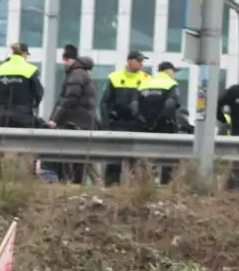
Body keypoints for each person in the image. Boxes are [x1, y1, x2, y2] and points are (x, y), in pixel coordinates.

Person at [100, 51, 151, 185]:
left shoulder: (146, 78)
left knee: (137, 161)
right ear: (129, 61)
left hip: (137, 125)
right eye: (139, 60)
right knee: (114, 159)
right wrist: (106, 124)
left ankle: (136, 189)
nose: (141, 64)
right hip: (118, 123)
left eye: (142, 61)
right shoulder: (115, 77)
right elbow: (105, 102)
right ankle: (111, 187)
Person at [48, 45, 97, 184]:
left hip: (75, 122)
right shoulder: (84, 74)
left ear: (68, 60)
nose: (63, 64)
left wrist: (55, 120)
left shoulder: (75, 75)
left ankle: (71, 182)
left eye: (64, 60)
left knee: (69, 155)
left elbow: (69, 99)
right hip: (85, 122)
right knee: (80, 157)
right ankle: (78, 182)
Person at [134, 61, 181, 184]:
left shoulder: (145, 83)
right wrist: (159, 120)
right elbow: (170, 105)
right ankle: (165, 184)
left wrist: (144, 121)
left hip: (144, 128)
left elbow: (134, 106)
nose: (174, 74)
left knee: (147, 159)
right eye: (173, 71)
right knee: (167, 159)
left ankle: (145, 184)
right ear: (168, 71)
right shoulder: (171, 84)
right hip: (164, 127)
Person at [0, 42, 43, 128]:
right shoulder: (31, 70)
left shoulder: (0, 69)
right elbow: (39, 93)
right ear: (24, 54)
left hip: (3, 117)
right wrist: (34, 105)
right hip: (23, 117)